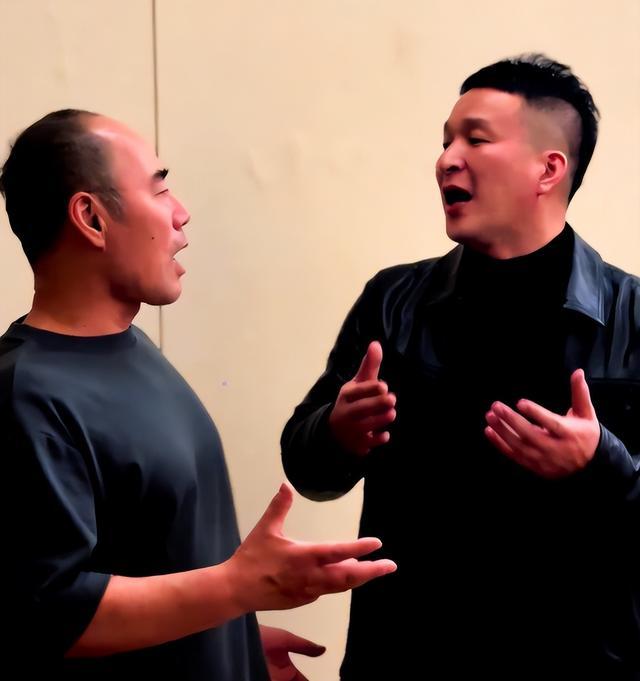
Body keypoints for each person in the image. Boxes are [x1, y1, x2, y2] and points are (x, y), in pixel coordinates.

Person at [0, 109, 397, 680]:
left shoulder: (132, 348)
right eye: (159, 188)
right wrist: (238, 589)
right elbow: (51, 613)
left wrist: (232, 637)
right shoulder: (27, 396)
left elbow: (152, 557)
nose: (181, 212)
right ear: (91, 218)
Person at [281, 54, 639, 679]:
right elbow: (308, 469)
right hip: (405, 658)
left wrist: (602, 462)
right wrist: (336, 432)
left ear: (548, 169)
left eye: (476, 139)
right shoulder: (393, 301)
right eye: (446, 141)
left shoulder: (632, 316)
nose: (447, 159)